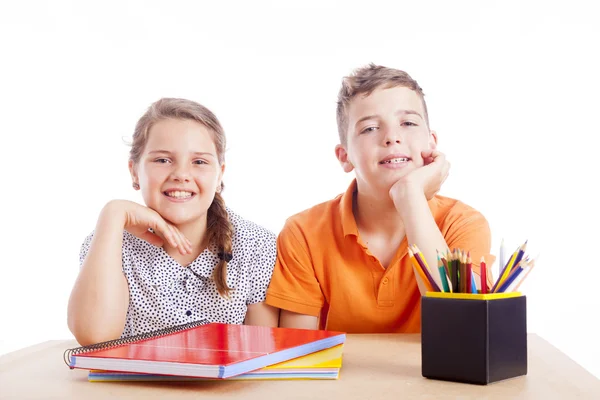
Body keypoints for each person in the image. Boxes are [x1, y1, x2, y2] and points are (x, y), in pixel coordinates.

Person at [265, 64, 495, 333]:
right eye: (370, 128)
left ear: (431, 142)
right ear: (345, 156)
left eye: (408, 123)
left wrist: (411, 199)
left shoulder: (464, 223)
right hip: (341, 376)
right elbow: (298, 354)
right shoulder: (303, 232)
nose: (392, 137)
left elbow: (462, 330)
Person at [68, 98, 279, 346]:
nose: (180, 175)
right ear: (134, 171)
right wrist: (112, 214)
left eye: (199, 162)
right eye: (162, 160)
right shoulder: (107, 242)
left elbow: (261, 353)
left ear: (220, 173)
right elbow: (95, 338)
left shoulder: (257, 245)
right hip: (131, 386)